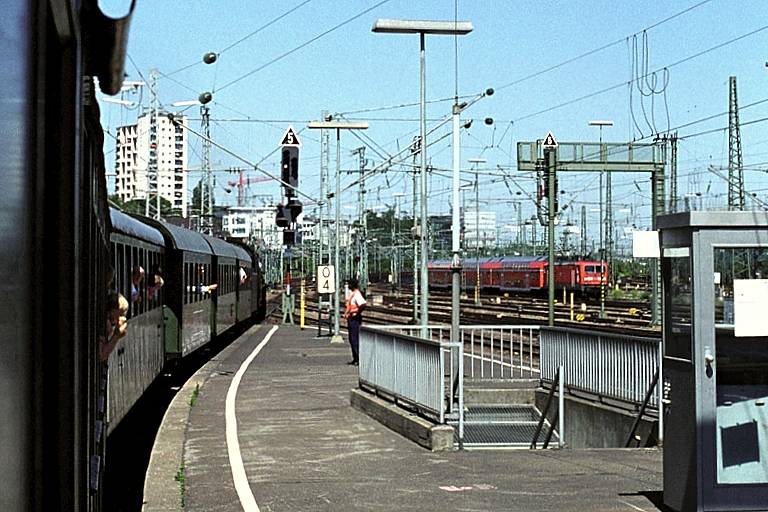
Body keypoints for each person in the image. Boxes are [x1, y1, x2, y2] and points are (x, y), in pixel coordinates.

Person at [342, 278, 366, 366]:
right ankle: (355, 358)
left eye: (349, 284)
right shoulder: (352, 294)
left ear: (352, 285)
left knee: (355, 339)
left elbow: (363, 304)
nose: (348, 286)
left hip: (355, 319)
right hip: (351, 318)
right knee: (352, 339)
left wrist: (357, 313)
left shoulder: (357, 294)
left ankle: (358, 359)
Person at [100, 291, 129, 361]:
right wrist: (116, 335)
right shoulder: (105, 324)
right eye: (121, 314)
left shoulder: (109, 325)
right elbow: (101, 355)